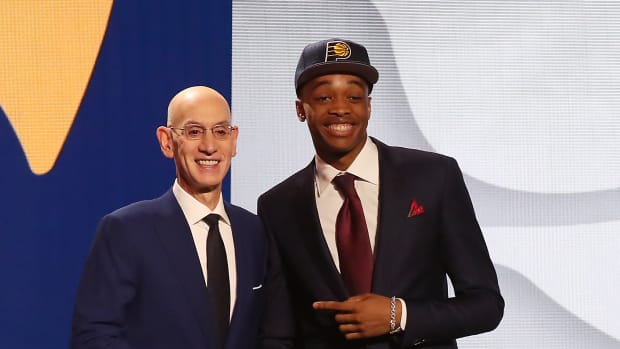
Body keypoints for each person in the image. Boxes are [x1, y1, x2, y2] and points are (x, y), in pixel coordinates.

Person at [257, 39, 504, 348]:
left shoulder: (433, 177)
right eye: (323, 97)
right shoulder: (277, 206)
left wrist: (398, 314)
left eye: (354, 96)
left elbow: (486, 305)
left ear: (369, 106)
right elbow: (279, 332)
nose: (340, 108)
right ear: (300, 109)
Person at [71, 86, 289, 349]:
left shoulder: (254, 231)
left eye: (220, 132)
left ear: (233, 141)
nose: (209, 147)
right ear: (166, 141)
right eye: (194, 132)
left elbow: (275, 335)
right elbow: (94, 336)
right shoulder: (126, 231)